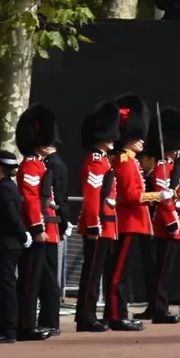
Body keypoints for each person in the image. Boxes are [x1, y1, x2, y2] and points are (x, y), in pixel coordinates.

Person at [106, 96, 156, 332]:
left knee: (123, 273)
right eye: (138, 138)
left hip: (133, 223)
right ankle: (117, 316)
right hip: (127, 223)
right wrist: (159, 196)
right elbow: (132, 196)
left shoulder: (131, 162)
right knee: (119, 274)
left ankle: (118, 313)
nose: (142, 141)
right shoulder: (125, 162)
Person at [14, 106, 62, 340]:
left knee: (40, 278)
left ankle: (34, 323)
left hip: (45, 227)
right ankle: (25, 325)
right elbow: (31, 198)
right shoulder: (31, 164)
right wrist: (37, 227)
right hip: (37, 229)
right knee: (30, 280)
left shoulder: (40, 164)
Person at [138, 107, 180, 325]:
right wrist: (172, 221)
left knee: (161, 269)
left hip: (168, 222)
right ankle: (159, 308)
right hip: (165, 224)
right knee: (162, 270)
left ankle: (156, 306)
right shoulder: (164, 167)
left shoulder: (169, 166)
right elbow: (163, 197)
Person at [73, 102, 119, 334]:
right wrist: (93, 224)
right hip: (97, 224)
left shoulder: (103, 160)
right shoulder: (95, 160)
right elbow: (92, 197)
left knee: (95, 272)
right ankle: (85, 317)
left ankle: (89, 314)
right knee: (91, 272)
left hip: (104, 223)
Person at [0, 150, 27, 344]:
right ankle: (7, 327)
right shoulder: (7, 186)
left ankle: (7, 329)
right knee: (5, 285)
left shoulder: (3, 189)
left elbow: (11, 216)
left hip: (6, 243)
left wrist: (22, 234)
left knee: (5, 287)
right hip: (8, 243)